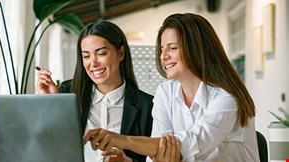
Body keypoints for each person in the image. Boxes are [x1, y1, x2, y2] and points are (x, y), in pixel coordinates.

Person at [83, 13, 260, 162]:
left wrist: (123, 140)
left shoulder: (227, 99)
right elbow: (162, 155)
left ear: (197, 49)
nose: (163, 56)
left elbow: (189, 145)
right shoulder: (165, 92)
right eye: (162, 49)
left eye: (172, 48)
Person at [37, 21, 154, 162]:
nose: (93, 63)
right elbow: (49, 147)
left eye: (101, 53)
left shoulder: (147, 106)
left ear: (121, 53)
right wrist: (50, 103)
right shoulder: (67, 94)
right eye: (86, 56)